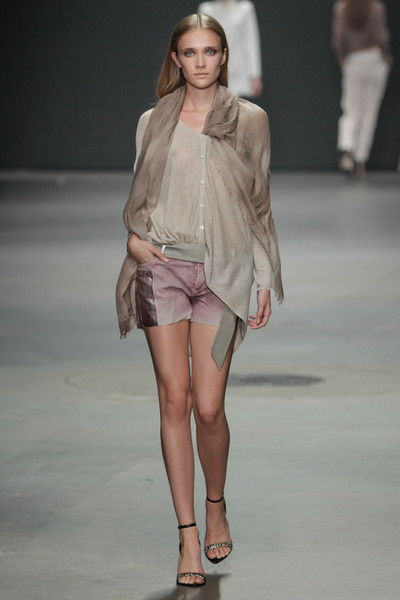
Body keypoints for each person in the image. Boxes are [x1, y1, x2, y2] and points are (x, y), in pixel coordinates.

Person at [115, 13, 283, 588]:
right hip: (163, 268)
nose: (201, 62)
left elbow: (259, 204)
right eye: (190, 53)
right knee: (175, 401)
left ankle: (216, 504)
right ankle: (187, 534)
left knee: (209, 409)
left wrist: (264, 276)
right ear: (176, 59)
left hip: (223, 272)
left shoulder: (251, 120)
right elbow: (141, 196)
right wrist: (135, 241)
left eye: (211, 51)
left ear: (224, 56)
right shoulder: (153, 121)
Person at [332, 0, 392, 177]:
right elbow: (381, 36)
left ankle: (346, 148)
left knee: (350, 108)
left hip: (354, 60)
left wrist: (342, 57)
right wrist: (386, 56)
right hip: (374, 59)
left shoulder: (342, 7)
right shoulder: (376, 7)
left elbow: (338, 37)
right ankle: (360, 159)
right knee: (369, 113)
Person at [197, 0, 263, 97]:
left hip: (239, 71)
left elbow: (250, 42)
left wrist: (254, 74)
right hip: (215, 69)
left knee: (236, 103)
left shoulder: (245, 8)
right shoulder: (206, 9)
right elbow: (202, 42)